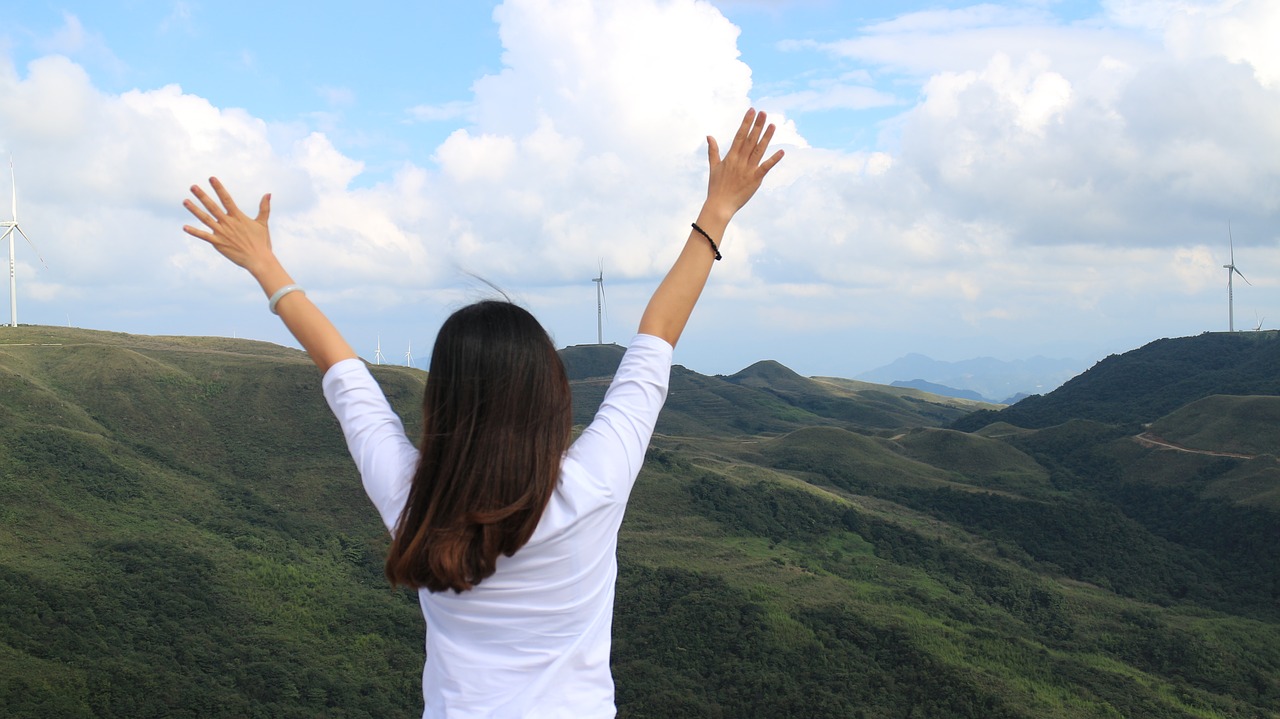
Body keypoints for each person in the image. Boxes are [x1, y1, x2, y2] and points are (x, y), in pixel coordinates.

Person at [181, 108, 783, 718]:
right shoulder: (594, 484)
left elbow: (346, 377)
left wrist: (265, 264)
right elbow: (656, 339)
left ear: (440, 401)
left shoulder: (416, 502)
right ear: (550, 396)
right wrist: (718, 212)